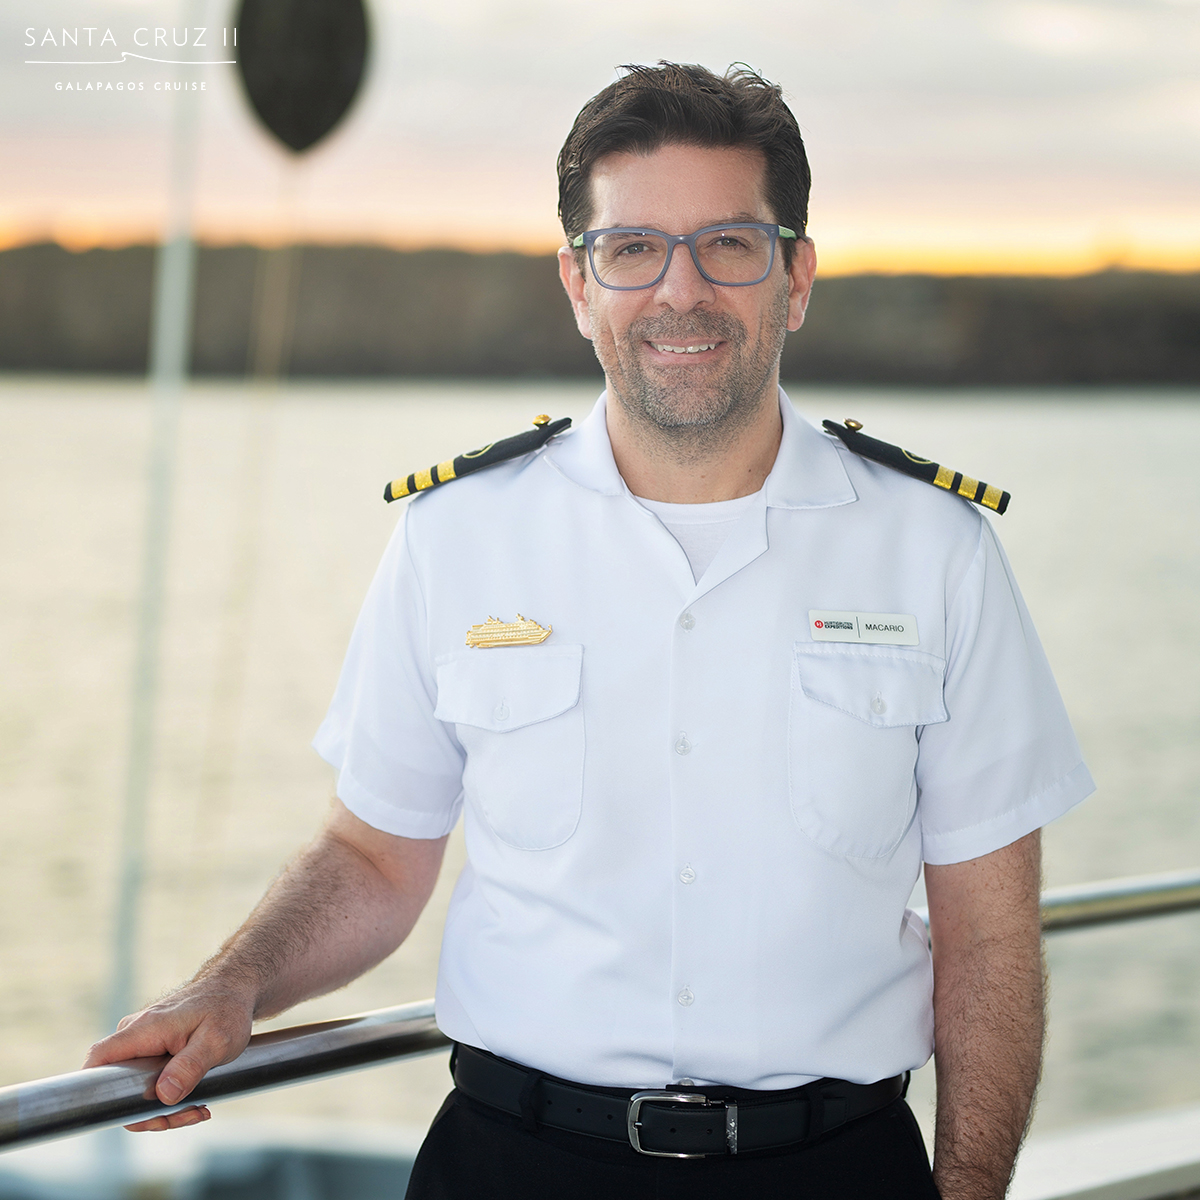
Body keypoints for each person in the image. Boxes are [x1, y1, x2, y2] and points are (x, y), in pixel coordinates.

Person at [85, 63, 1094, 1200]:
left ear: (796, 276)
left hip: (833, 1169)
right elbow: (373, 857)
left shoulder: (936, 549)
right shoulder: (456, 535)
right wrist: (231, 986)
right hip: (512, 1165)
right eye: (632, 250)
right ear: (578, 282)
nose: (681, 291)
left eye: (729, 244)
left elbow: (992, 939)